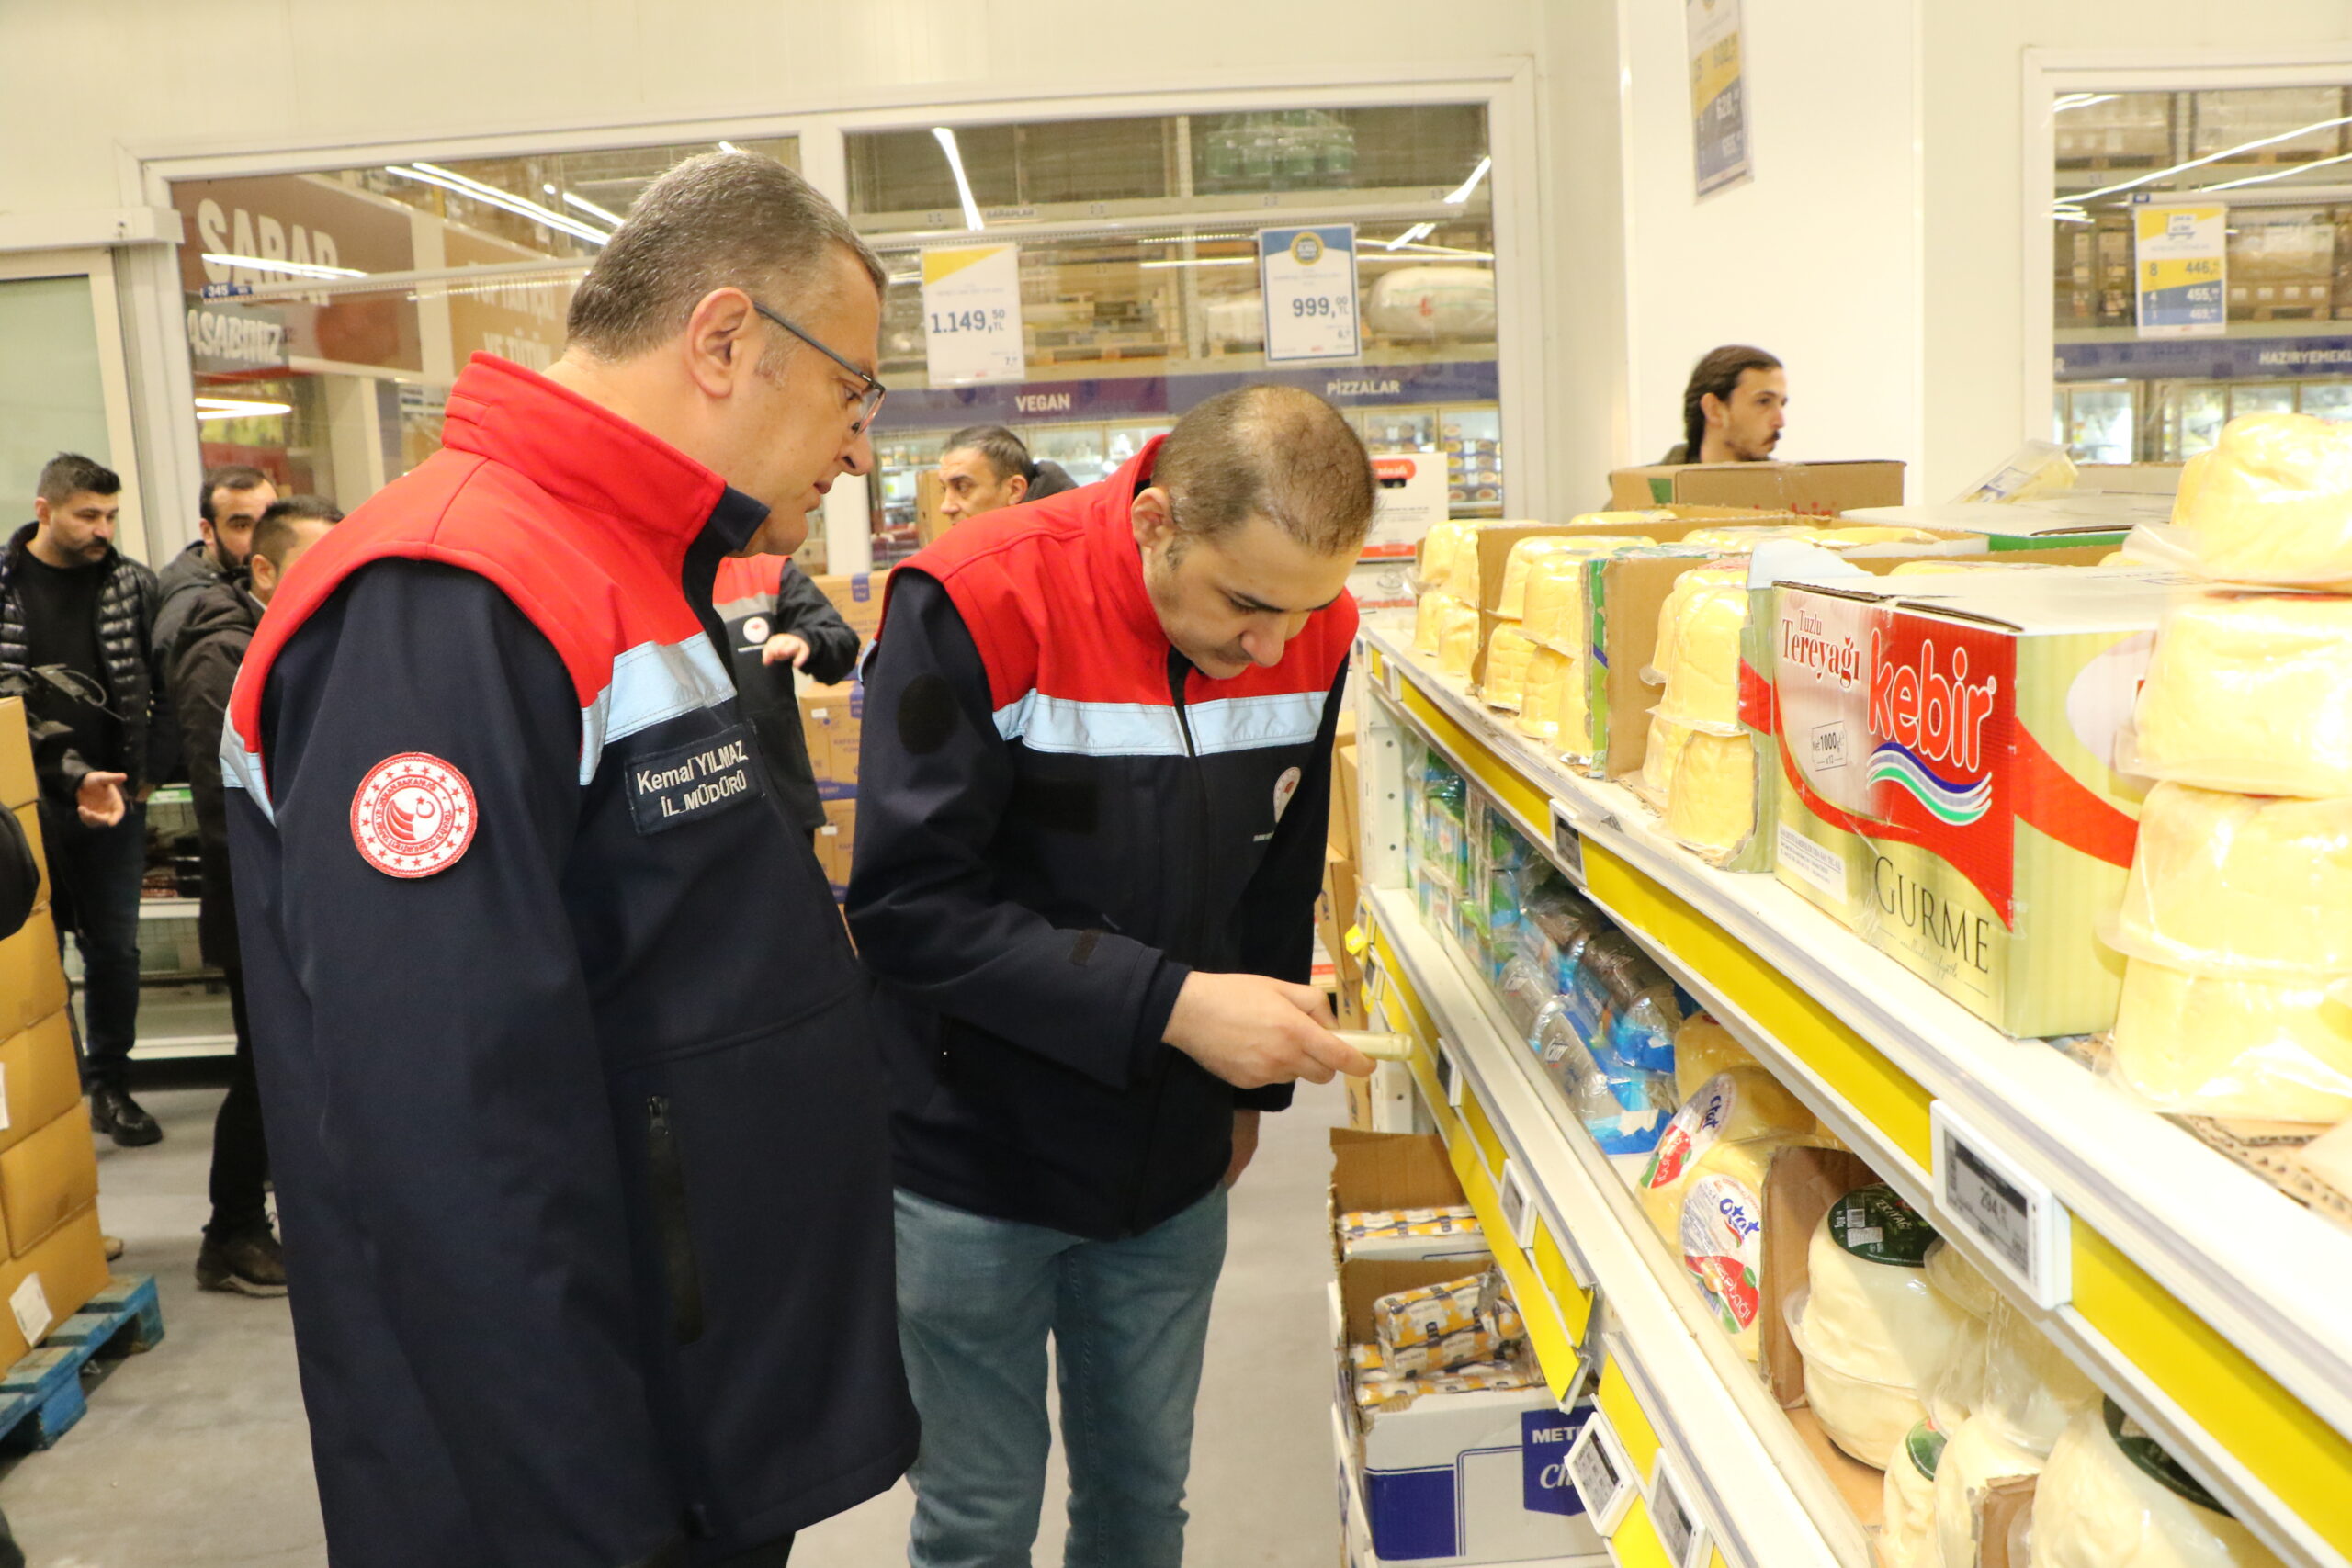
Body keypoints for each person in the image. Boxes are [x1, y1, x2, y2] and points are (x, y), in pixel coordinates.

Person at [220, 151, 916, 1567]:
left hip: (691, 1402)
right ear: (725, 339)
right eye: (855, 388)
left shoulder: (624, 565)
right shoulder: (446, 600)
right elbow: (448, 1138)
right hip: (572, 1471)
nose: (858, 446)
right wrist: (587, 1519)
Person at [849, 384, 1381, 1568]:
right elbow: (908, 912)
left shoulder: (1307, 627)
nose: (1273, 649)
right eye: (1245, 602)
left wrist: (1249, 1096)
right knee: (977, 1520)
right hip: (968, 1156)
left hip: (1165, 1162)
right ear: (1154, 522)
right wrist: (1181, 1008)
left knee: (1143, 1507)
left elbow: (1277, 876)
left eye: (1309, 609)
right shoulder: (980, 598)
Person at [169, 494, 341, 1298]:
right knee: (262, 1065)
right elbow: (225, 798)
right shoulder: (224, 652)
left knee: (297, 1061)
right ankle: (230, 1230)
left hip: (302, 889)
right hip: (255, 898)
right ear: (263, 568)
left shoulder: (300, 639)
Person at [0, 454, 167, 1146]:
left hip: (117, 801)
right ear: (45, 510)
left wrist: (149, 769)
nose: (103, 528)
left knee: (115, 952)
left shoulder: (131, 584)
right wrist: (68, 774)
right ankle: (60, 1090)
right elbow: (4, 701)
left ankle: (110, 1083)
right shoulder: (4, 585)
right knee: (40, 950)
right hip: (26, 807)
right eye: (87, 515)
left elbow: (159, 676)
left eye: (110, 515)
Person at [710, 552, 859, 842]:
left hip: (781, 791)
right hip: (703, 804)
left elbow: (840, 643)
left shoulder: (767, 570)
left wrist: (807, 640)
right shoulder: (652, 582)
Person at [153, 465, 277, 665]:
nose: (261, 538)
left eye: (270, 522)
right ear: (208, 532)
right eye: (242, 526)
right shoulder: (188, 612)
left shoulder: (250, 582)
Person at [1660, 344, 1786, 464]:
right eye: (1763, 401)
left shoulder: (1790, 485)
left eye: (1782, 404)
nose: (1780, 422)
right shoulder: (1647, 484)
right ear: (1713, 410)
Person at [934, 423, 1076, 525]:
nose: (946, 507)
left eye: (962, 487)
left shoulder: (1064, 551)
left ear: (1015, 490)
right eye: (944, 489)